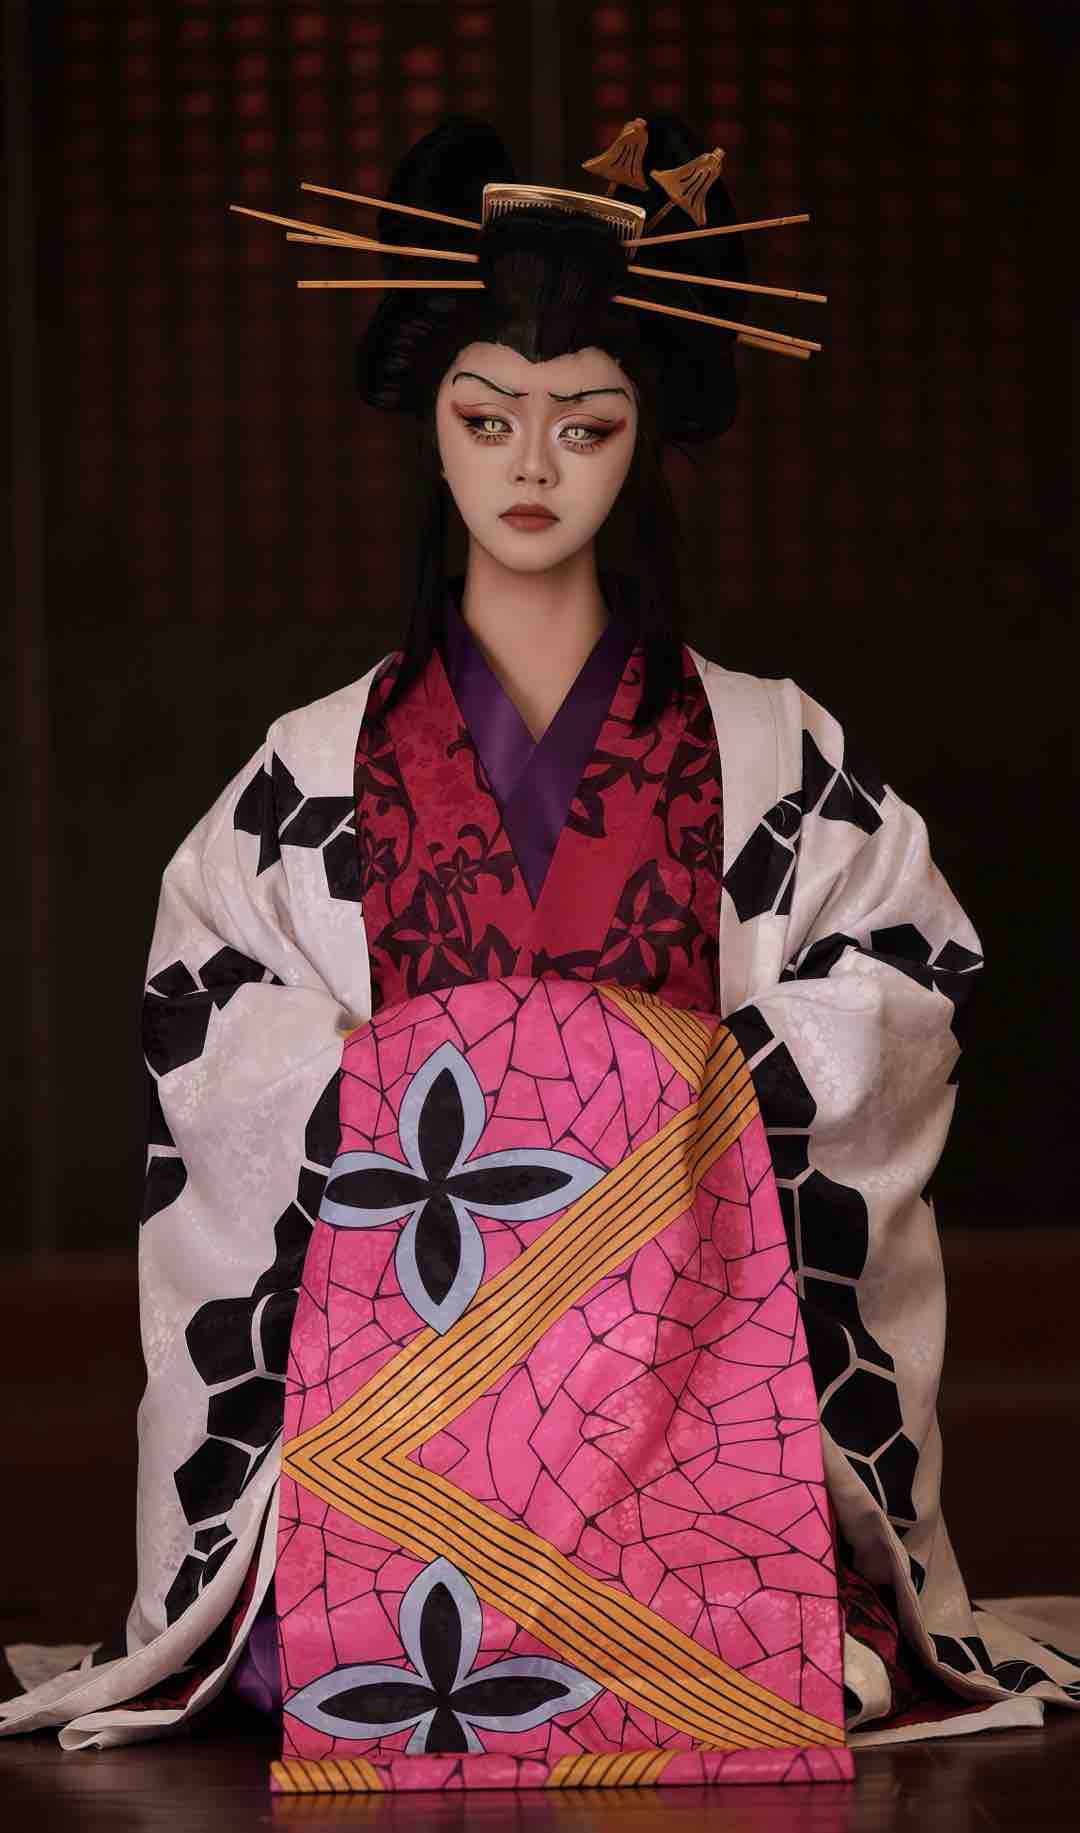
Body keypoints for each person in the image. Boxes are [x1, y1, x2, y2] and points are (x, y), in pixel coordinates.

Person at [3, 114, 1078, 1793]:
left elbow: (901, 982)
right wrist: (482, 1092)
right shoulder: (313, 770)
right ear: (429, 425)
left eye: (585, 423)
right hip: (407, 1398)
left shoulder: (771, 752)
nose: (532, 465)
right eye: (486, 416)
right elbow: (212, 1025)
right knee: (322, 1642)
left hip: (686, 1385)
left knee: (791, 1633)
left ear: (642, 440)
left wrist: (657, 1093)